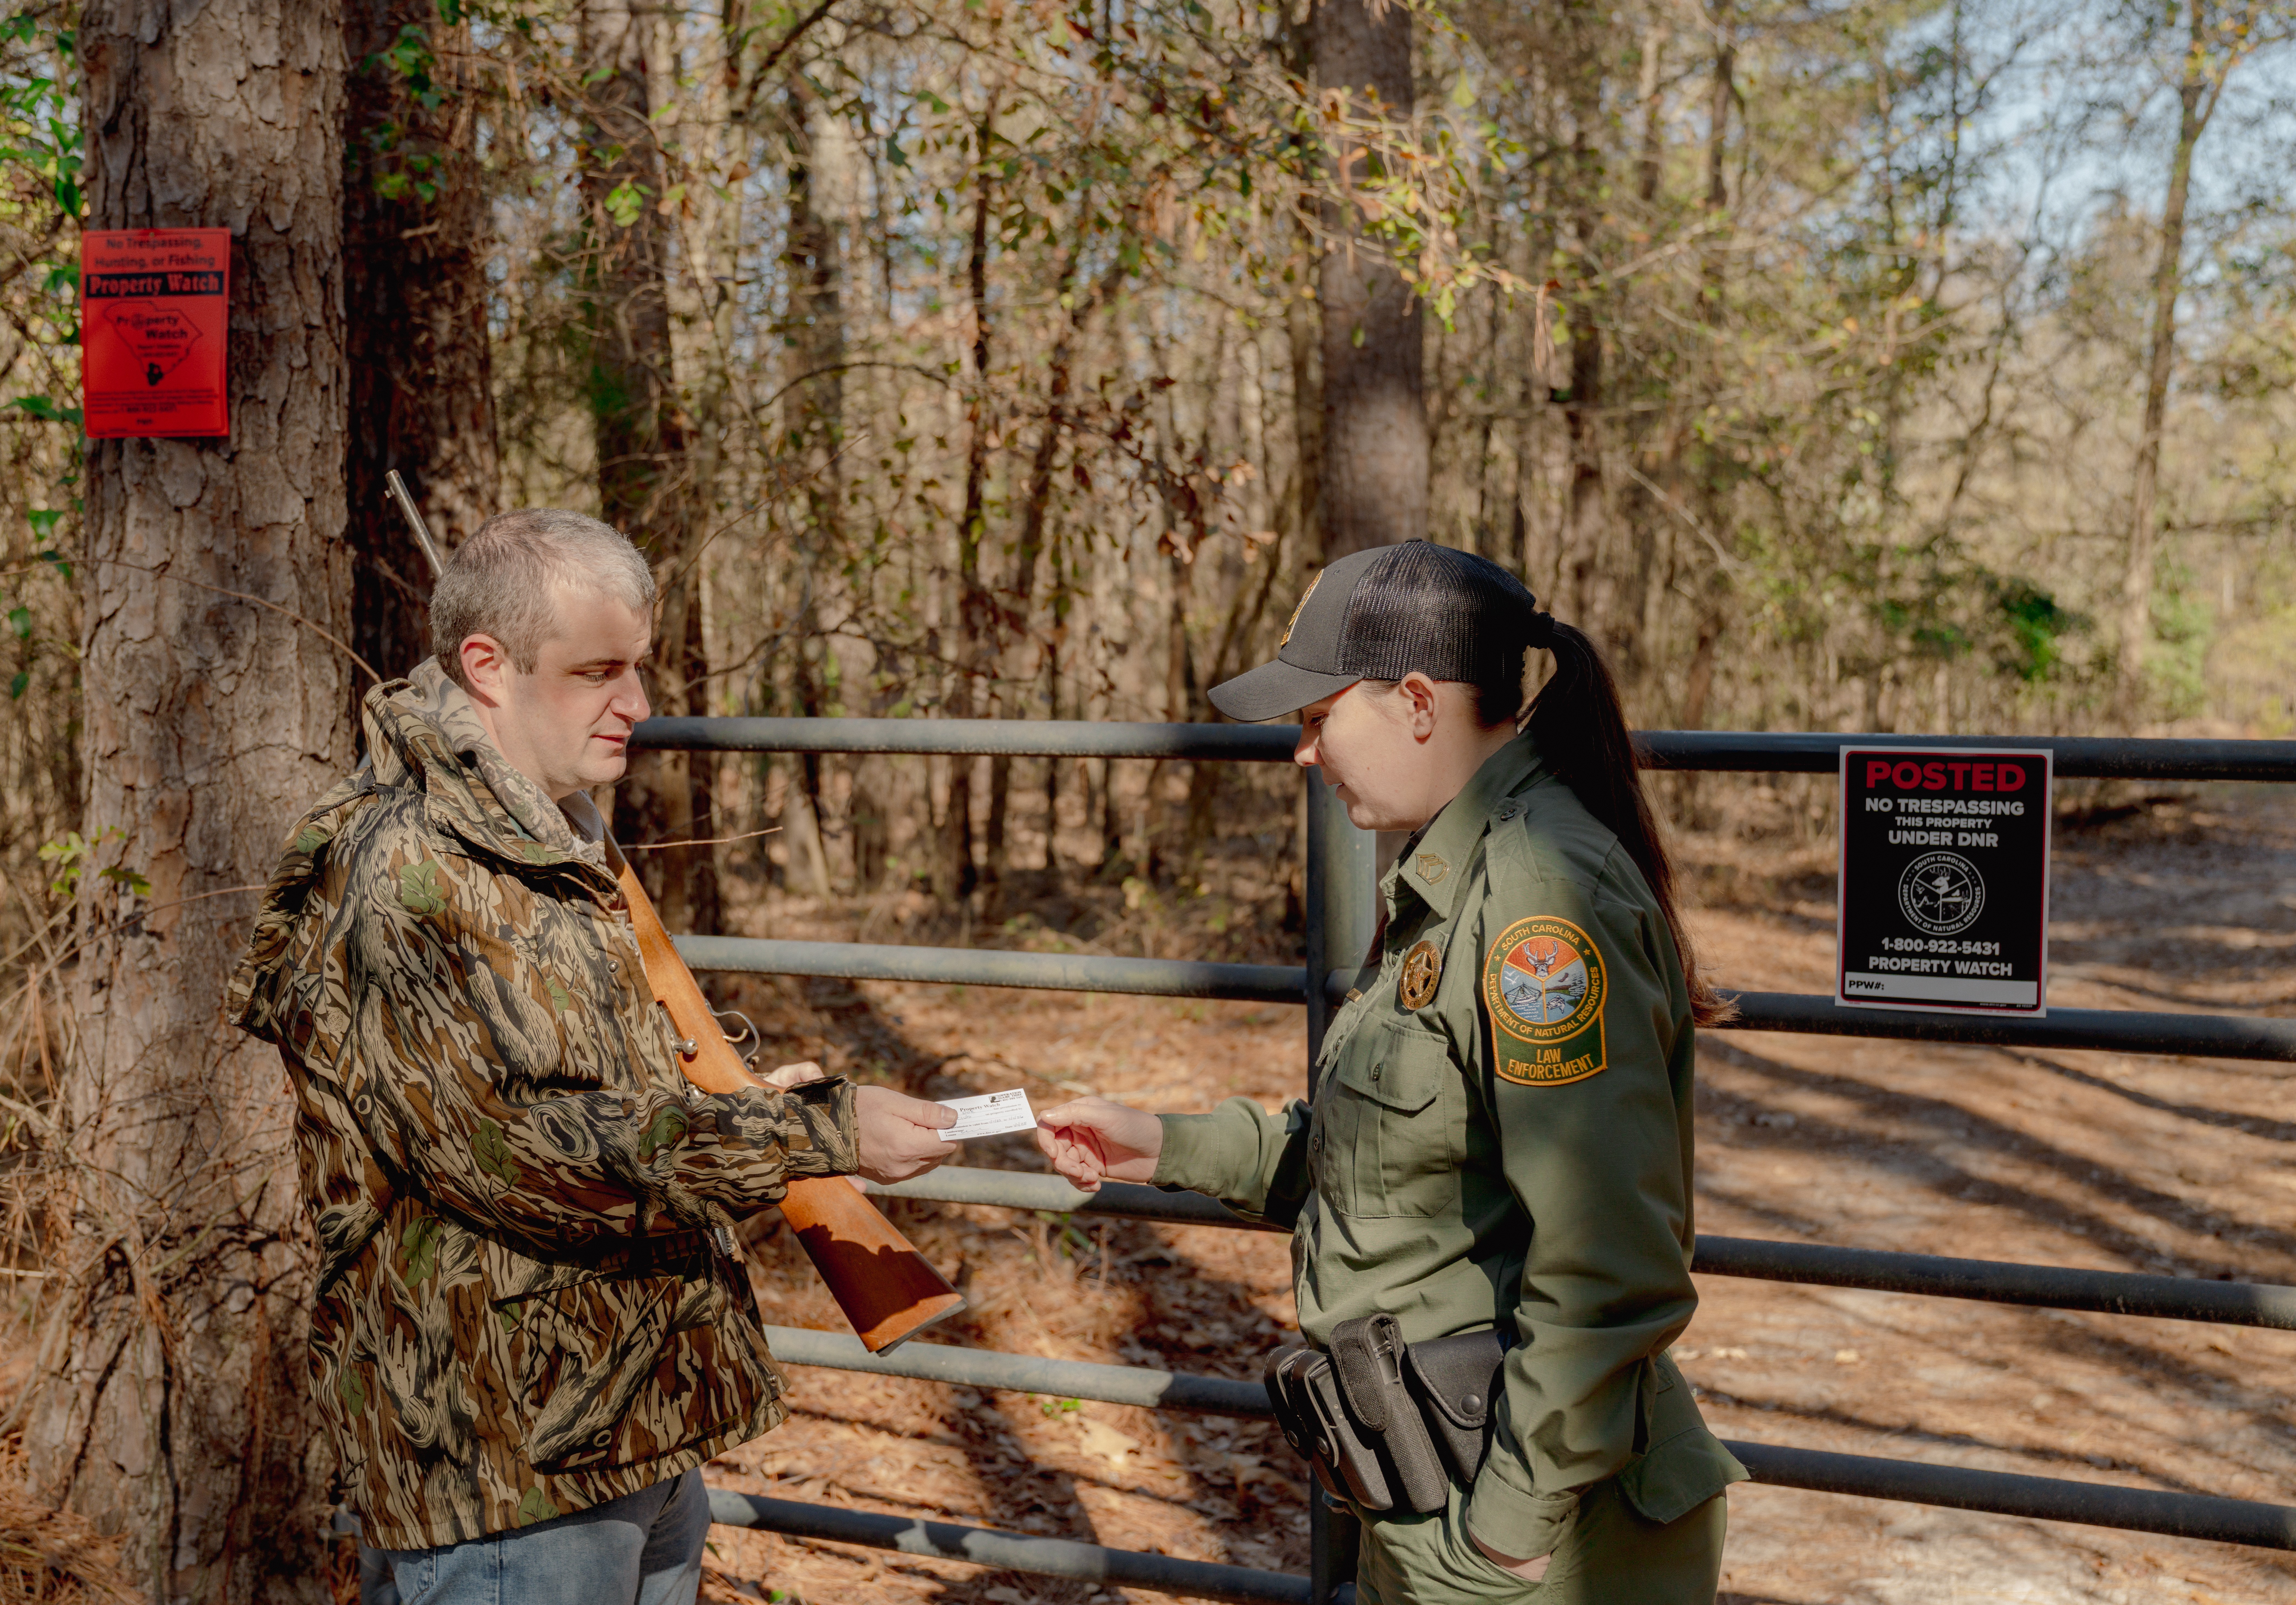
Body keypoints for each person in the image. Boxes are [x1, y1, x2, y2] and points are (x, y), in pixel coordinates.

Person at [227, 509, 960, 1604]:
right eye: (597, 671)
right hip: (505, 1467)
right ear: (488, 666)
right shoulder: (401, 872)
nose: (639, 704)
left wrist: (751, 1104)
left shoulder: (554, 832)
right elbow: (514, 1153)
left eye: (640, 668)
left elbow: (592, 1086)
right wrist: (808, 1133)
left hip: (631, 1421)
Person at [1035, 540, 1748, 1604]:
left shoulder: (1536, 904)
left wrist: (1501, 1536)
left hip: (1536, 1537)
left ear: (1417, 701)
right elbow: (1387, 1160)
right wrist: (1160, 1139)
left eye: (1318, 719)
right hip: (1435, 1495)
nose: (1304, 756)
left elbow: (1613, 1260)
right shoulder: (1451, 874)